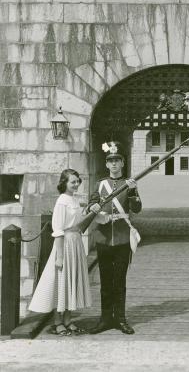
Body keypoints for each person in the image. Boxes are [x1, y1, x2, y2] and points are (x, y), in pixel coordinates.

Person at [29, 169, 100, 336]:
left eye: (77, 181)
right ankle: (57, 322)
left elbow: (80, 220)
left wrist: (95, 211)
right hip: (65, 244)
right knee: (61, 283)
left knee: (72, 281)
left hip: (75, 243)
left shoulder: (73, 199)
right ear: (64, 183)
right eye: (72, 182)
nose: (76, 184)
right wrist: (59, 257)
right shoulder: (62, 201)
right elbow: (58, 230)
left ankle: (68, 320)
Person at [87, 141, 142, 335]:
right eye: (111, 161)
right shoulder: (101, 184)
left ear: (123, 163)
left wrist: (134, 191)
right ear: (107, 164)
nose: (114, 164)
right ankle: (104, 319)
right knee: (105, 281)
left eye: (117, 160)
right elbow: (91, 203)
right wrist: (93, 206)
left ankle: (120, 318)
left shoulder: (129, 184)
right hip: (103, 239)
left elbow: (136, 209)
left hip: (121, 239)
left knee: (119, 281)